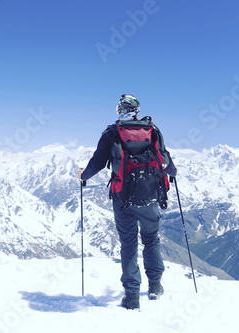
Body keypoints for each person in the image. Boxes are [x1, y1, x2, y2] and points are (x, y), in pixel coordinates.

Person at [76, 94, 177, 310]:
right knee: (151, 239)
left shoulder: (112, 133)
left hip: (123, 198)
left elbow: (97, 162)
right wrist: (173, 172)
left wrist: (82, 176)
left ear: (119, 110)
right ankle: (155, 287)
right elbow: (164, 157)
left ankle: (132, 296)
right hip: (150, 195)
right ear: (137, 111)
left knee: (129, 244)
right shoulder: (153, 130)